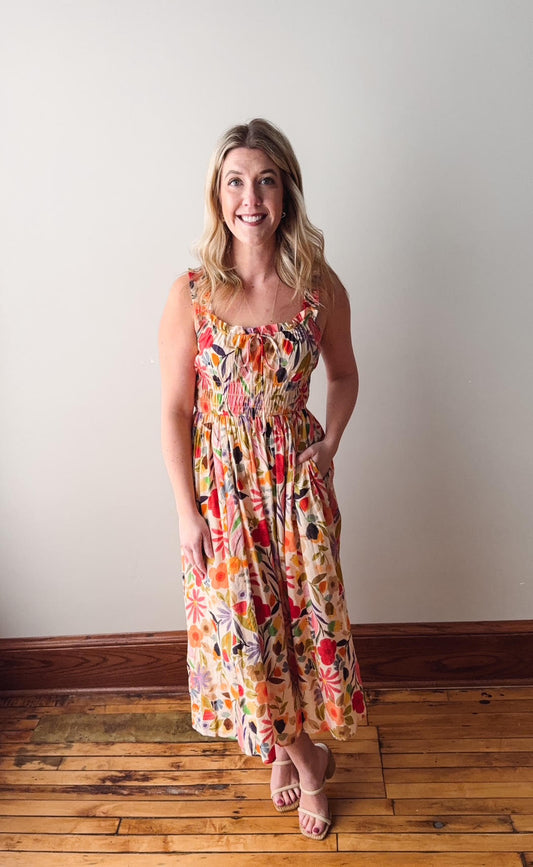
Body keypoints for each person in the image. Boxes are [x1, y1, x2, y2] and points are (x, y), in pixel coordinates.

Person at [159, 118, 366, 841]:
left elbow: (342, 375)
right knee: (247, 640)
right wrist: (188, 514)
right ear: (218, 195)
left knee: (299, 633)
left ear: (286, 192)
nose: (251, 197)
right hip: (222, 494)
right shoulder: (191, 293)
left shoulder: (317, 289)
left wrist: (331, 443)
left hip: (295, 489)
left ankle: (284, 747)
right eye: (235, 181)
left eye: (266, 180)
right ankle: (308, 762)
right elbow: (175, 409)